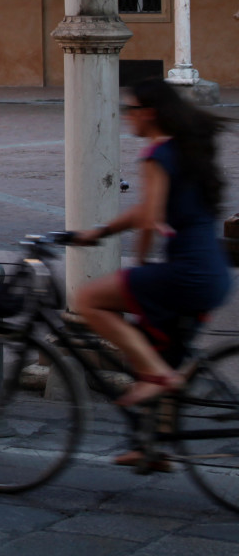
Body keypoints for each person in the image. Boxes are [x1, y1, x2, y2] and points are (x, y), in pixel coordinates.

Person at [70, 77, 229, 424]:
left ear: (150, 113)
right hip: (212, 272)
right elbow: (146, 212)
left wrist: (140, 265)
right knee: (161, 347)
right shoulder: (186, 149)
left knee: (87, 300)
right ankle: (154, 449)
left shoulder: (156, 154)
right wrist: (101, 231)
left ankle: (156, 376)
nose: (128, 117)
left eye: (131, 110)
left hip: (188, 273)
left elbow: (149, 217)